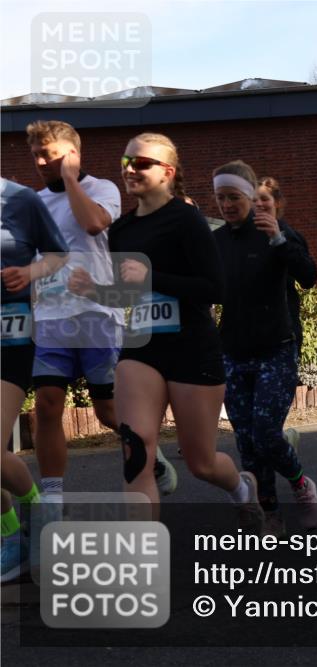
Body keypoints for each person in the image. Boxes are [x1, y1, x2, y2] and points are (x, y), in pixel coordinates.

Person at [67, 133, 264, 523]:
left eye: (142, 163)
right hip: (141, 346)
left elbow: (214, 289)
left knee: (201, 462)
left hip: (191, 348)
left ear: (167, 172)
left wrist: (152, 276)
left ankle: (241, 487)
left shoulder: (186, 218)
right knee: (136, 452)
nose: (131, 170)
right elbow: (130, 293)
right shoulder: (121, 230)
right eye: (126, 162)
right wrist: (95, 290)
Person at [24, 121, 178, 504]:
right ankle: (54, 498)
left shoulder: (102, 189)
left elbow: (93, 224)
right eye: (37, 155)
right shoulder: (35, 202)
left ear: (73, 155)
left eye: (50, 154)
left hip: (97, 313)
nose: (42, 161)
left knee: (109, 411)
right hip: (51, 317)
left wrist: (71, 181)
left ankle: (151, 456)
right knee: (46, 404)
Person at [213, 161, 317, 537]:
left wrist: (279, 239)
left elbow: (308, 277)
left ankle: (300, 484)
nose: (227, 204)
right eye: (220, 198)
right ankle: (270, 511)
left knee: (265, 433)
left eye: (234, 197)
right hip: (233, 350)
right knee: (245, 440)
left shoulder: (275, 232)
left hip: (276, 346)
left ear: (249, 196)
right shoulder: (218, 241)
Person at [1, 178, 69, 582]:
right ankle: (12, 537)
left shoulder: (21, 199)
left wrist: (29, 272)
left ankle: (40, 513)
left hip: (10, 336)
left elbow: (58, 255)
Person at [256, 177, 317, 361]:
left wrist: (279, 241)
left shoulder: (288, 235)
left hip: (281, 335)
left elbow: (308, 277)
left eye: (264, 199)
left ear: (277, 202)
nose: (258, 204)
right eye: (253, 199)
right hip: (242, 337)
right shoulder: (237, 236)